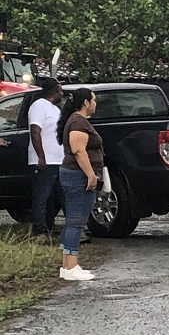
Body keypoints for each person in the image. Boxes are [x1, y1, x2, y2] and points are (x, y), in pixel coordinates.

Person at [56, 88, 102, 281]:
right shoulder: (78, 122)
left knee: (73, 222)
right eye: (94, 100)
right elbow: (78, 151)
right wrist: (90, 175)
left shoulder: (78, 121)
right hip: (78, 175)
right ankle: (71, 266)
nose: (95, 103)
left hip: (74, 174)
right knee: (76, 222)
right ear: (85, 102)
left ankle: (68, 265)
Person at [27, 77, 65, 239]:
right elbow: (35, 131)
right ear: (53, 91)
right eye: (60, 90)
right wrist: (41, 156)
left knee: (63, 196)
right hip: (44, 161)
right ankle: (40, 231)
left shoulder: (55, 109)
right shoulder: (38, 106)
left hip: (59, 161)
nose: (62, 94)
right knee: (41, 197)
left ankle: (69, 230)